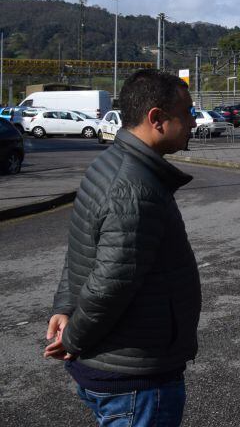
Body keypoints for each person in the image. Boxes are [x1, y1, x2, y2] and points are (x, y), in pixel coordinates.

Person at [45, 69, 200, 427]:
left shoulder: (109, 164)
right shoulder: (135, 187)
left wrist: (65, 305)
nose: (193, 121)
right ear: (157, 119)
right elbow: (110, 285)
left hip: (120, 366)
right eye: (187, 112)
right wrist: (73, 337)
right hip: (135, 379)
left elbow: (81, 247)